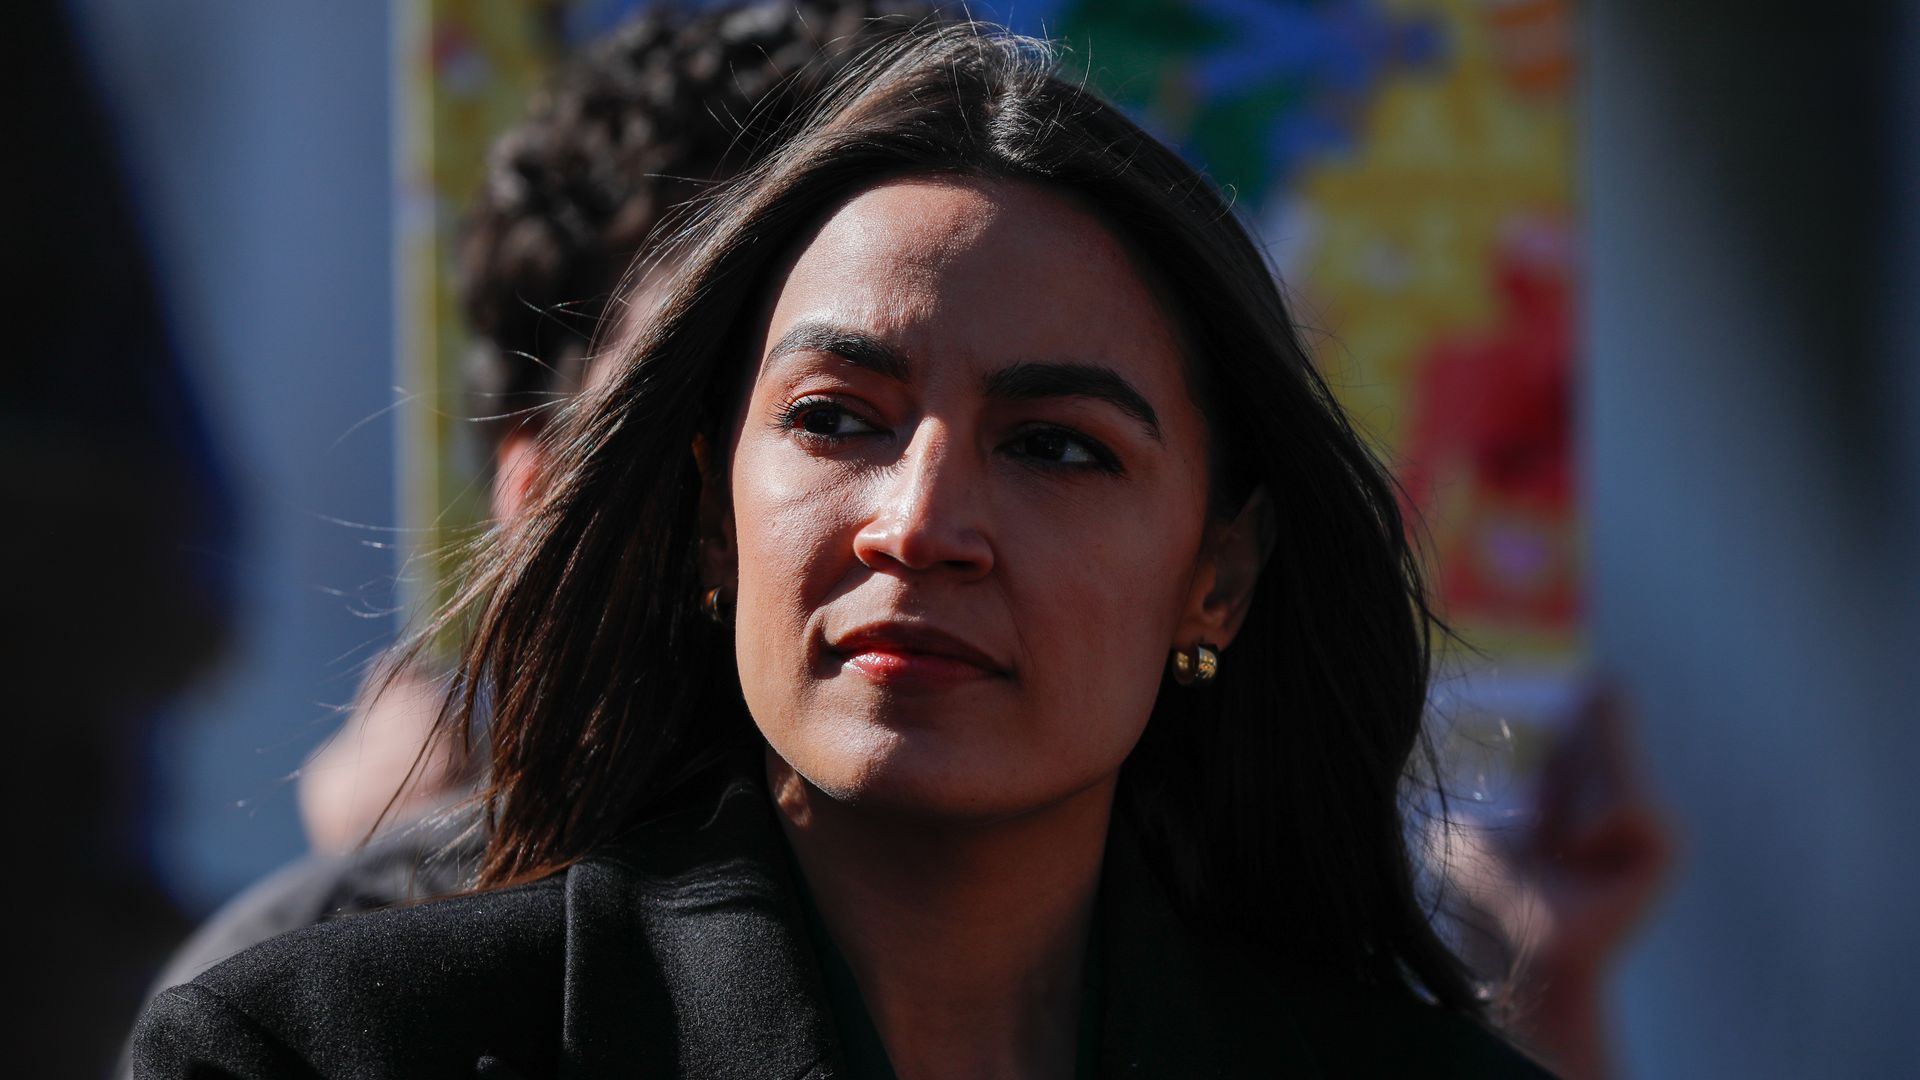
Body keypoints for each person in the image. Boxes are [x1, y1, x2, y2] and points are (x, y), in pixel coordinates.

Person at [131, 19, 1554, 1078]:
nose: (920, 522)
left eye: (1057, 445)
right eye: (836, 418)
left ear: (1219, 577)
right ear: (705, 513)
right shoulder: (320, 1056)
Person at [132, 0, 939, 1008]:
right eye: (813, 413)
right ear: (540, 497)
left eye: (1042, 443)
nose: (913, 519)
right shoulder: (292, 996)